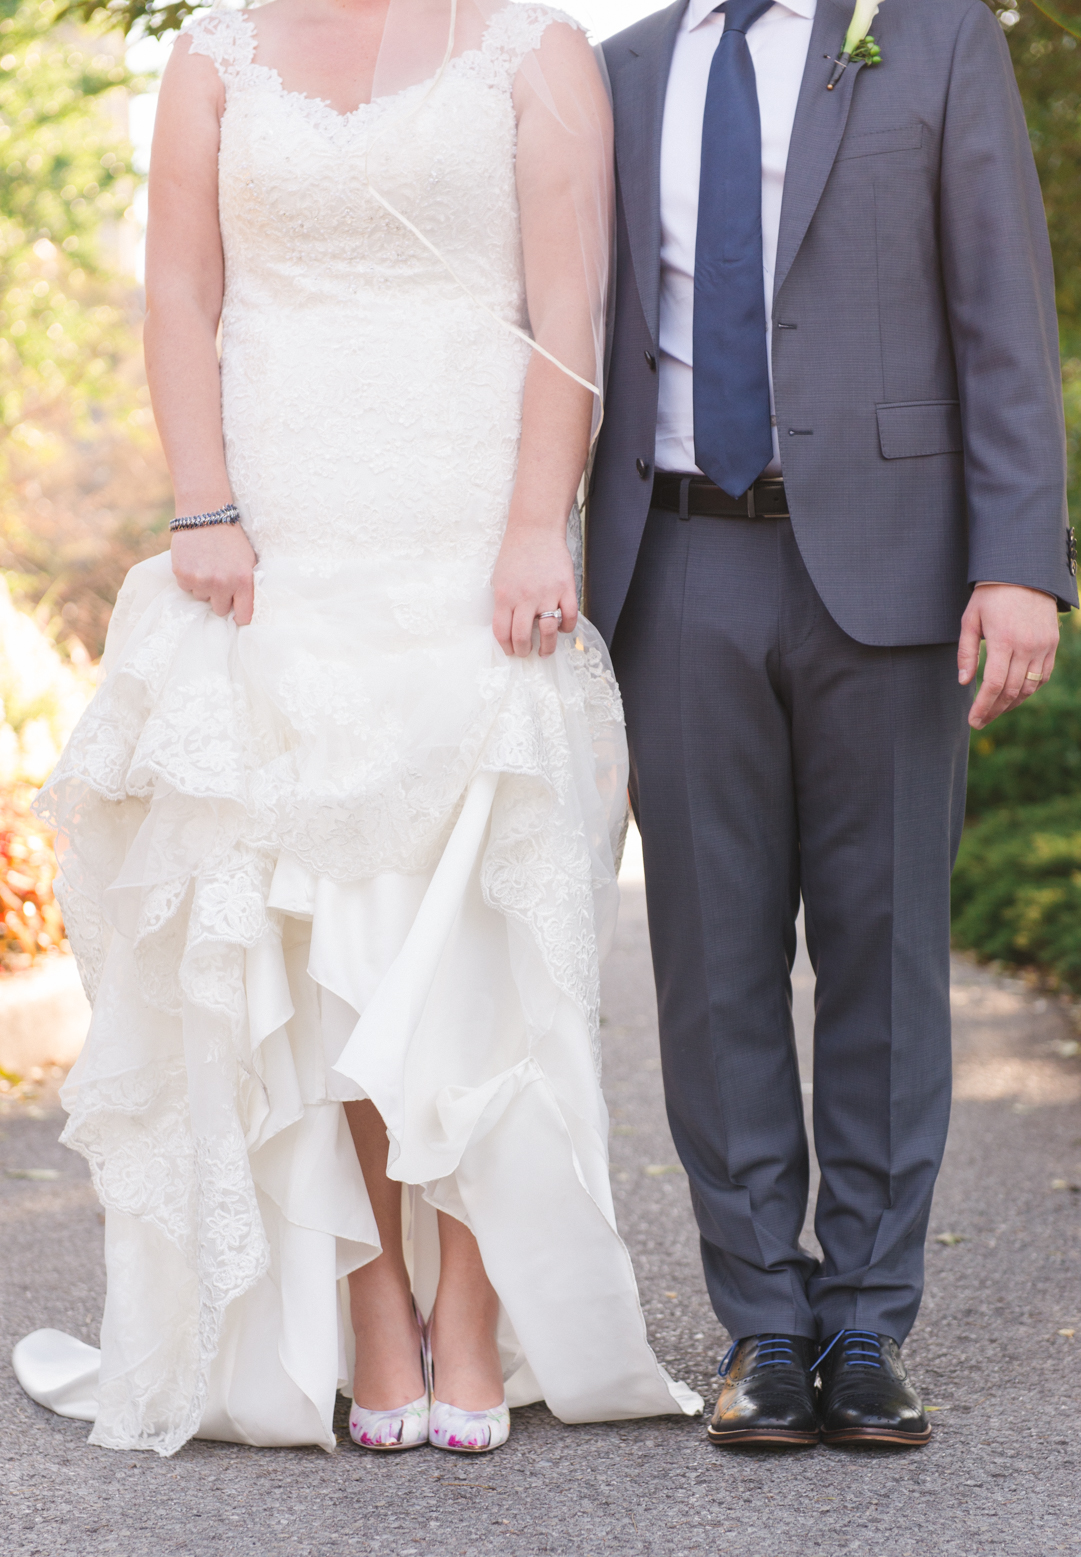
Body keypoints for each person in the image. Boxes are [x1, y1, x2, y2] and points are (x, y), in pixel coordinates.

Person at [13, 0, 700, 1459]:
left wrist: (534, 529)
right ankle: (374, 1313)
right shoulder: (212, 51)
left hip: (463, 532)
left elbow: (566, 311)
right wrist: (202, 503)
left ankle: (470, 1315)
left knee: (456, 936)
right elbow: (180, 294)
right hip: (279, 534)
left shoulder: (539, 49)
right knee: (309, 934)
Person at [588, 0, 1077, 1447]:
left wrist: (1020, 560)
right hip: (673, 558)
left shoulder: (932, 39)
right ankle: (761, 1323)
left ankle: (865, 1321)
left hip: (896, 559)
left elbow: (1002, 305)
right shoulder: (614, 73)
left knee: (883, 946)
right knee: (708, 958)